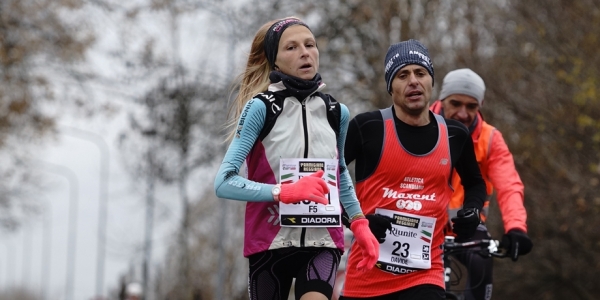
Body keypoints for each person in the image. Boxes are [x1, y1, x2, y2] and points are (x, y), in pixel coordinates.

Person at [214, 16, 380, 300]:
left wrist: (359, 223)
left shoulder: (336, 112)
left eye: (310, 44)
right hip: (270, 242)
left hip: (323, 240)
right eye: (291, 47)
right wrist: (283, 192)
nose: (305, 52)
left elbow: (339, 174)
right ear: (274, 61)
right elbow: (224, 182)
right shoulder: (261, 108)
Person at [339, 39, 487, 300]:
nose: (413, 81)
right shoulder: (367, 128)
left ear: (431, 82)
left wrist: (472, 211)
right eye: (402, 75)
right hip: (365, 277)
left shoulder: (455, 135)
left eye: (420, 73)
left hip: (425, 274)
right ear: (391, 87)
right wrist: (358, 221)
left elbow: (475, 184)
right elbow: (328, 180)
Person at [430, 68, 533, 300]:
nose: (463, 113)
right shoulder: (419, 125)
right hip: (422, 223)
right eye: (455, 103)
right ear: (442, 100)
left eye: (472, 106)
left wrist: (516, 227)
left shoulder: (491, 139)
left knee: (481, 260)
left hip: (467, 227)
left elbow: (509, 185)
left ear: (481, 105)